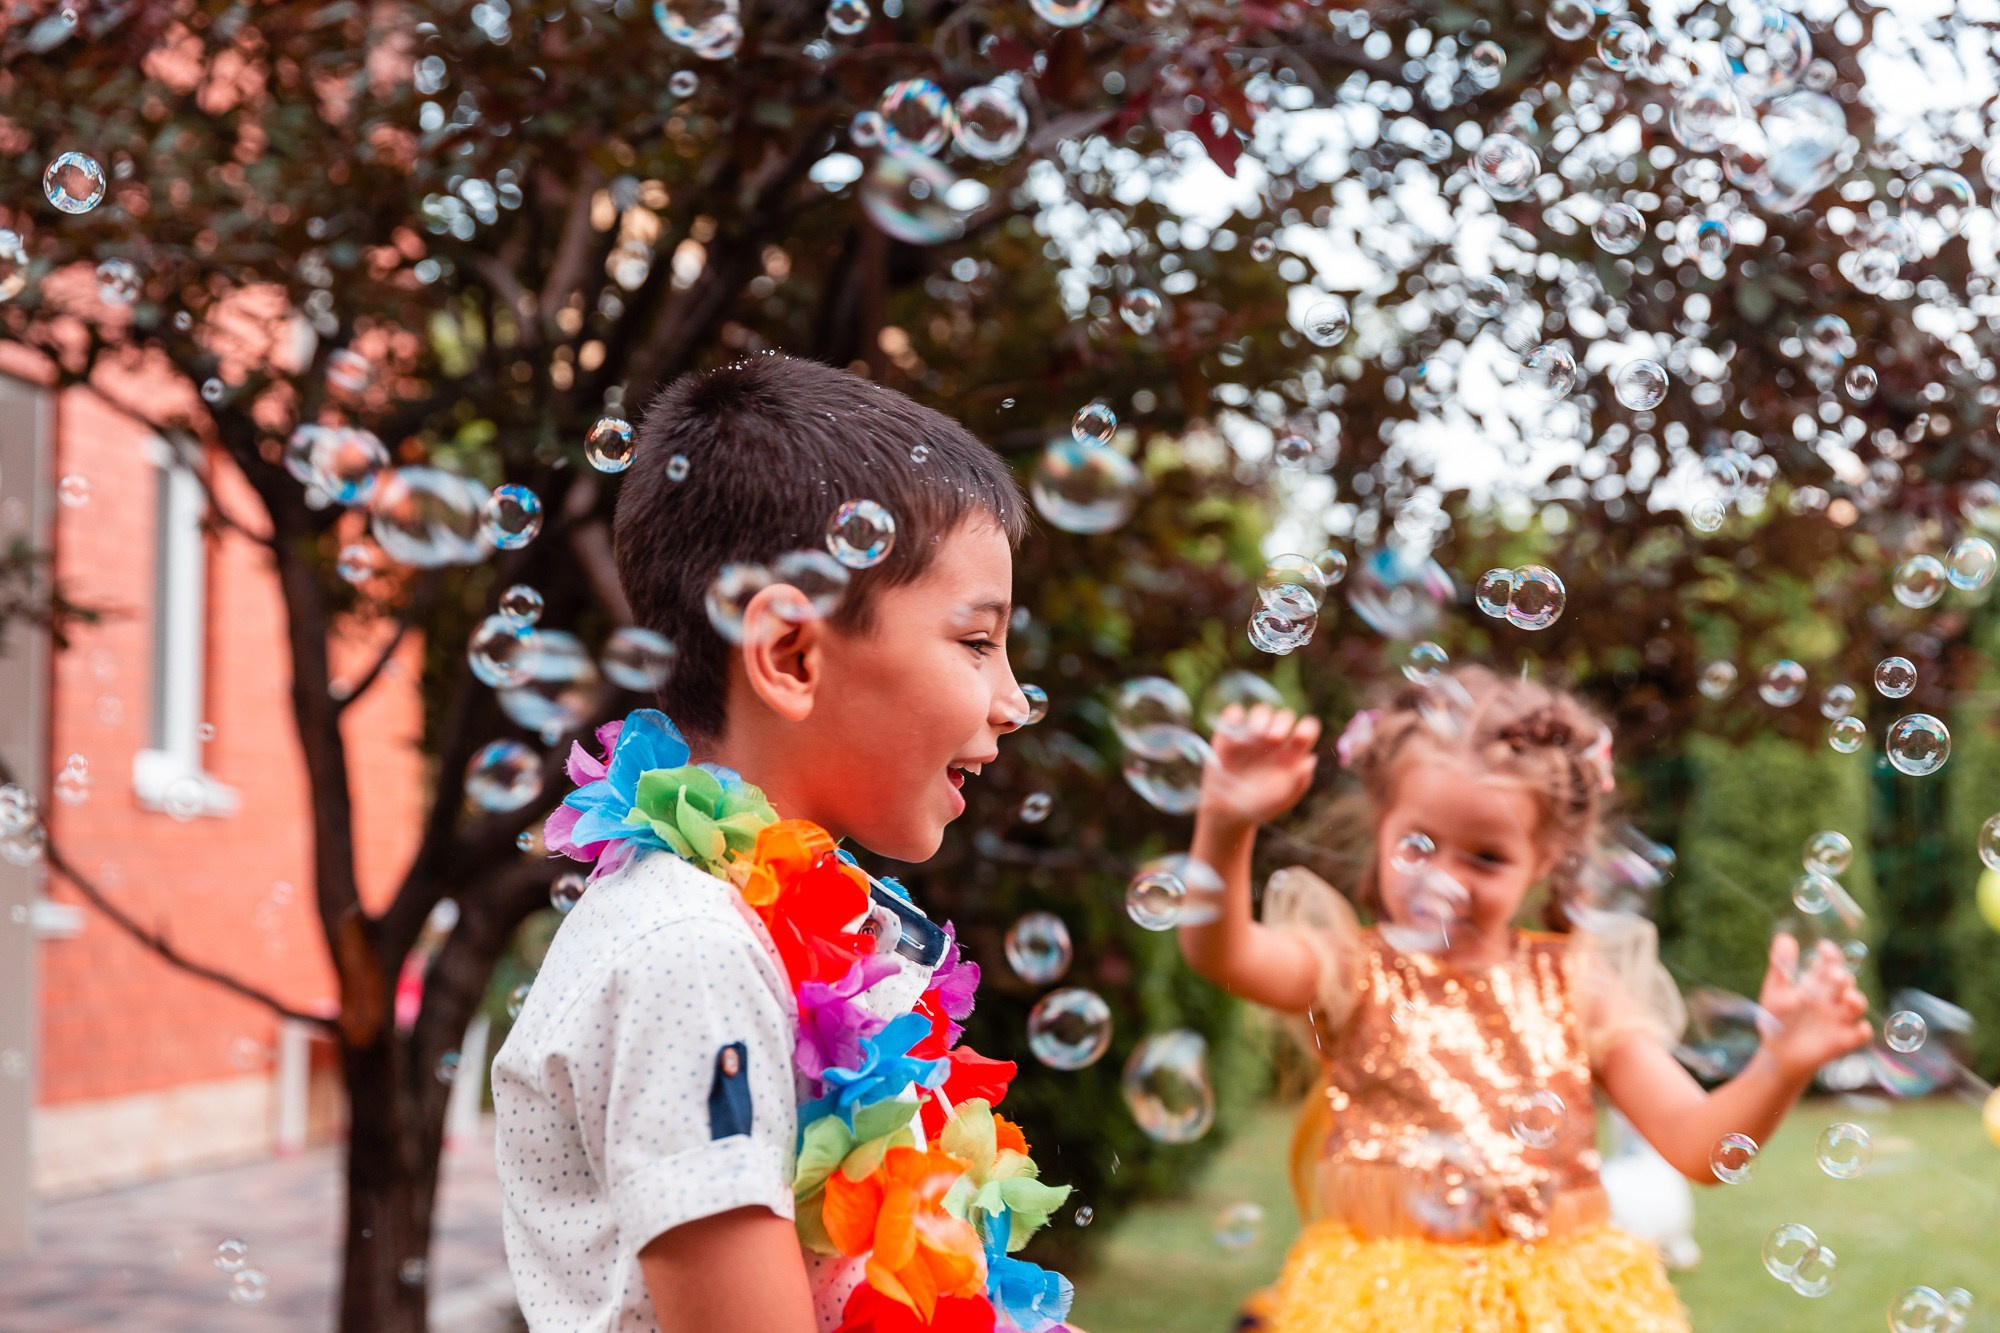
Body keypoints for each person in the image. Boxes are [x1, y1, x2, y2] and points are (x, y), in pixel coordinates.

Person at [493, 354, 1074, 1333]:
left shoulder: (776, 930)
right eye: (977, 642)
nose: (1012, 702)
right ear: (791, 655)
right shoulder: (689, 951)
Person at [1176, 666, 1873, 1333]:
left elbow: (1700, 1146)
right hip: (1381, 1303)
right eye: (1418, 845)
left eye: (1485, 856)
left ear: (1544, 860)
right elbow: (1222, 950)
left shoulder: (1579, 984)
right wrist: (1226, 823)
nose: (1445, 879)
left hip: (1560, 1307)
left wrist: (1780, 1062)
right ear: (1381, 829)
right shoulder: (1350, 966)